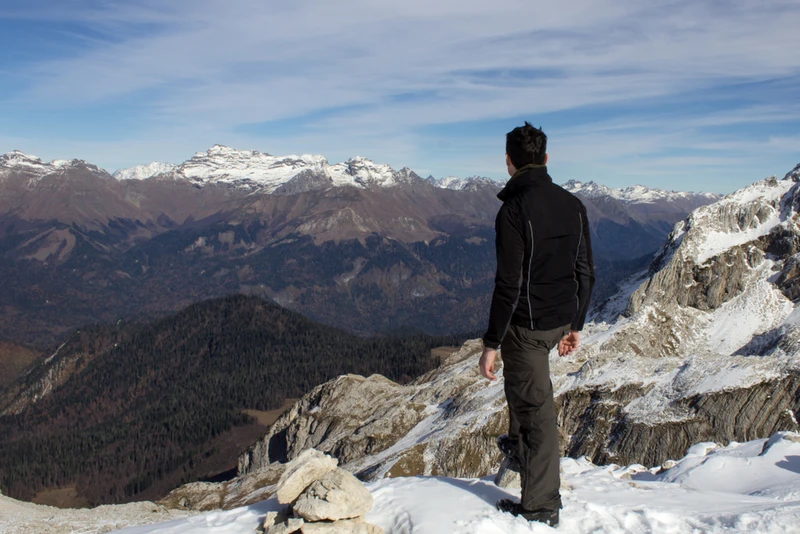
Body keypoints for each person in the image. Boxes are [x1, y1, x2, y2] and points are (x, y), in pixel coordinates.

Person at [479, 122, 594, 527]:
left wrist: (491, 343)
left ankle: (541, 505)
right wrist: (574, 323)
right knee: (526, 393)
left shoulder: (513, 210)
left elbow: (508, 284)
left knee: (536, 413)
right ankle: (519, 450)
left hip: (525, 329)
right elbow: (586, 273)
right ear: (546, 159)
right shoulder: (574, 205)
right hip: (559, 322)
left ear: (508, 161)